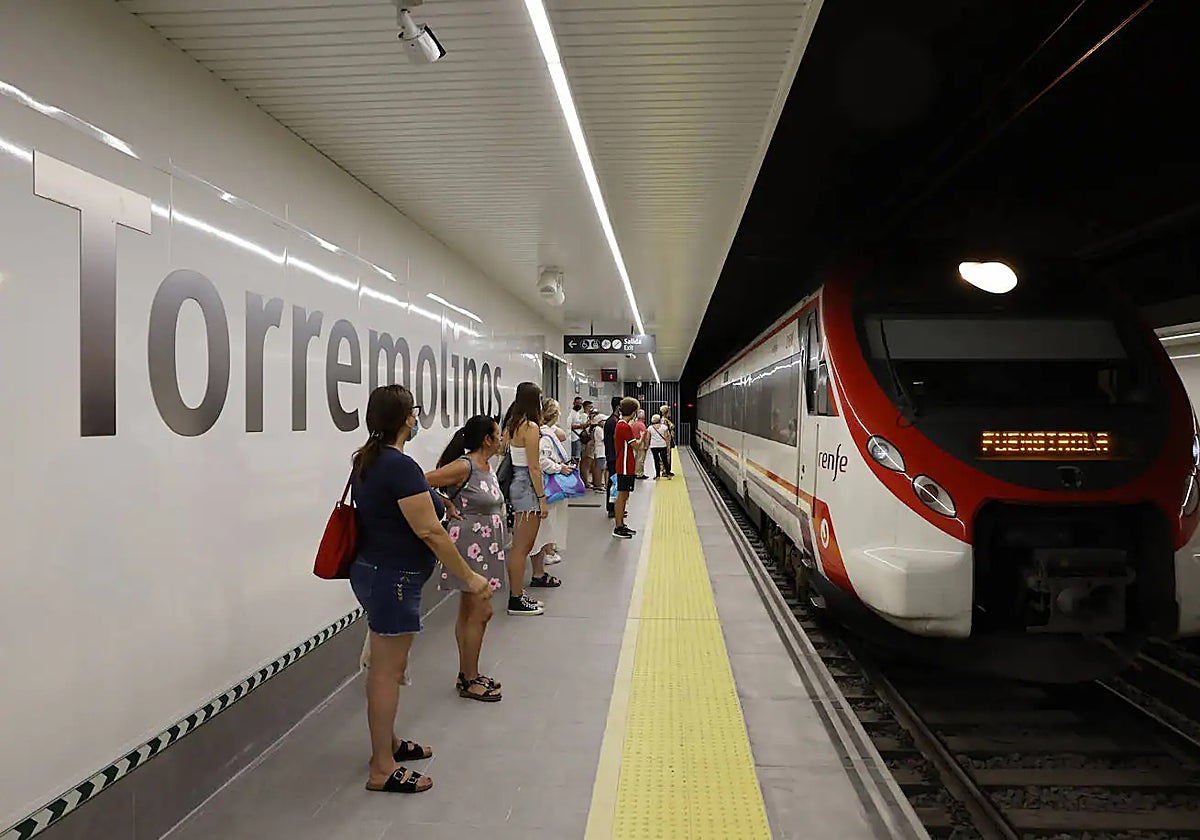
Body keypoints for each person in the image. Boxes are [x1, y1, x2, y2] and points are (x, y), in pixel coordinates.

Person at [349, 385, 492, 794]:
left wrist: (431, 496)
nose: (416, 418)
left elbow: (395, 503)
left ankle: (388, 744)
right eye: (414, 412)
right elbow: (429, 531)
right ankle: (382, 767)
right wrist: (469, 576)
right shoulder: (398, 466)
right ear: (406, 419)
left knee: (386, 666)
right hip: (393, 578)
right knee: (387, 671)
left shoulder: (369, 460)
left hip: (375, 571)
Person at [424, 415, 507, 703]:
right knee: (481, 612)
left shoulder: (487, 465)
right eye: (498, 434)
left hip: (487, 545)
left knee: (469, 612)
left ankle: (467, 672)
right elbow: (420, 482)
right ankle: (470, 678)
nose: (501, 439)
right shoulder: (464, 466)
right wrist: (445, 502)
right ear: (487, 439)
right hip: (471, 545)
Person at [503, 381, 553, 616]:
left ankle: (518, 594)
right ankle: (515, 598)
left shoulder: (513, 424)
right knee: (522, 547)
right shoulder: (531, 427)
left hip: (516, 482)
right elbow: (534, 467)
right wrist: (542, 498)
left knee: (520, 546)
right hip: (527, 487)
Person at [532, 397, 571, 569]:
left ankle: (548, 549)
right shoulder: (546, 436)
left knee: (550, 520)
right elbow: (542, 461)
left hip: (546, 481)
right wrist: (559, 468)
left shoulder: (544, 432)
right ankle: (547, 552)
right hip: (549, 482)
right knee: (549, 520)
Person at [612, 397, 641, 538]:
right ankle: (618, 526)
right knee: (622, 496)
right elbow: (636, 446)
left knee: (624, 495)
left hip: (625, 465)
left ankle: (621, 524)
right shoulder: (624, 426)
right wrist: (642, 437)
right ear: (634, 412)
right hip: (624, 466)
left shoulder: (620, 425)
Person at [603, 395, 621, 518]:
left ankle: (615, 506)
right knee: (614, 483)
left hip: (612, 455)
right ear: (618, 407)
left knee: (614, 482)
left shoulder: (612, 420)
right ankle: (612, 507)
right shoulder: (613, 422)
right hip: (613, 456)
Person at [648, 413, 672, 479]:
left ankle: (657, 475)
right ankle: (668, 475)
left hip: (653, 446)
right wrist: (668, 446)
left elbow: (648, 438)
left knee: (656, 460)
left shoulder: (650, 428)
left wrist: (647, 445)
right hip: (662, 445)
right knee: (665, 460)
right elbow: (666, 437)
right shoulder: (664, 427)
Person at [567, 396, 587, 463]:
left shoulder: (578, 413)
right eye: (578, 403)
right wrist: (581, 426)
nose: (579, 405)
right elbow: (570, 426)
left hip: (579, 437)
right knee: (575, 457)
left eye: (581, 404)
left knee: (578, 457)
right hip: (574, 438)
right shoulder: (571, 413)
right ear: (574, 403)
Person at [632, 409, 649, 479]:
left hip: (634, 441)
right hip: (640, 442)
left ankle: (634, 472)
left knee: (635, 458)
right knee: (640, 458)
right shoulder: (642, 425)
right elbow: (645, 435)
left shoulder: (634, 424)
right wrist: (646, 445)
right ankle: (639, 473)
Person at [660, 405, 677, 477]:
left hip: (668, 440)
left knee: (667, 455)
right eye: (669, 411)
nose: (670, 413)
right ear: (666, 412)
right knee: (666, 455)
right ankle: (665, 471)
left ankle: (667, 470)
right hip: (666, 441)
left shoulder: (665, 420)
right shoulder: (664, 420)